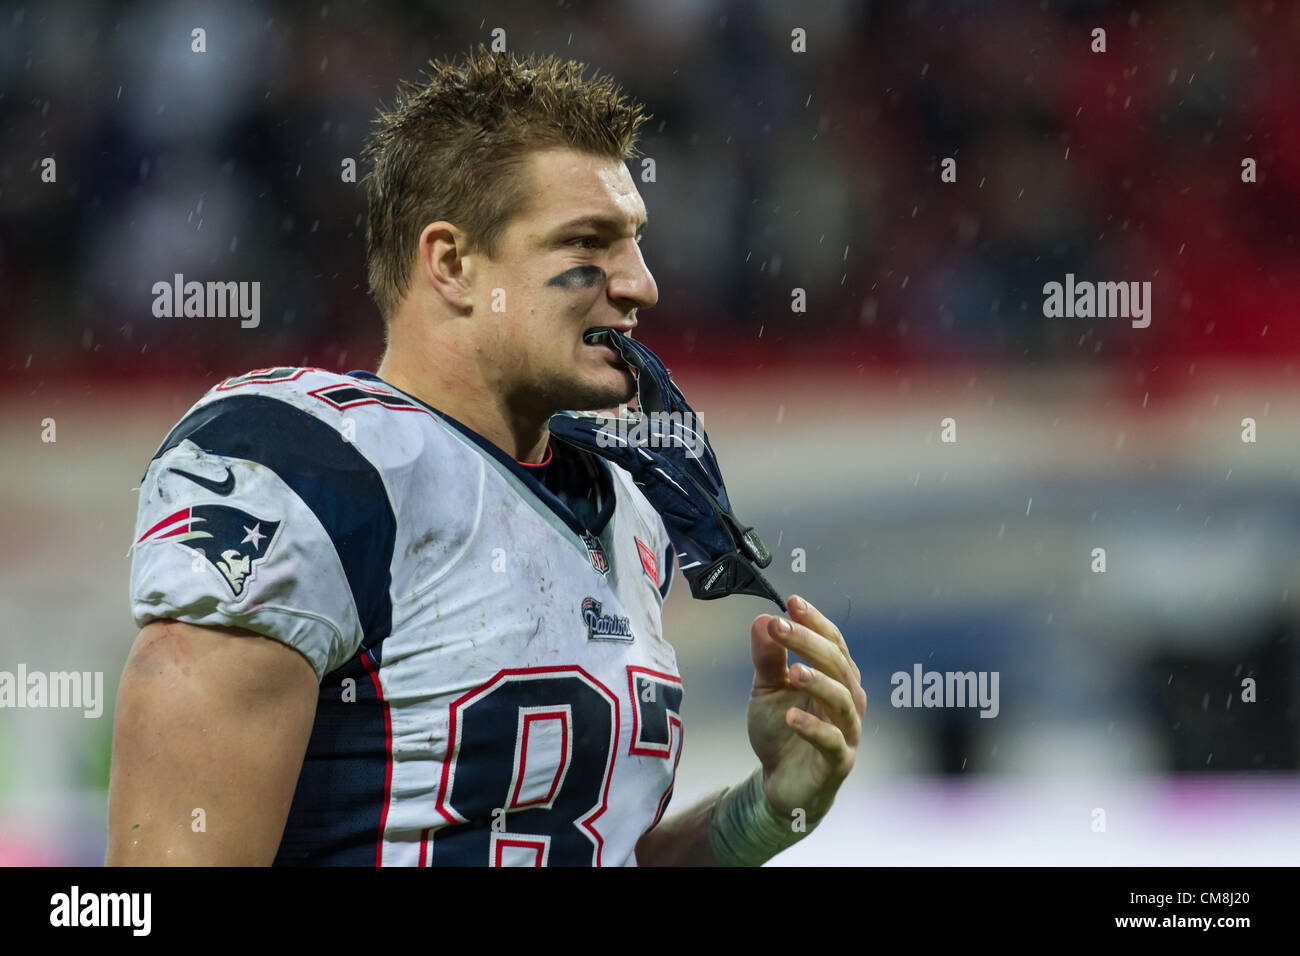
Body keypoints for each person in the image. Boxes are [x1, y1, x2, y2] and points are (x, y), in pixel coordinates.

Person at [107, 46, 866, 866]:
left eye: (636, 242)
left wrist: (762, 814)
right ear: (453, 265)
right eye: (590, 243)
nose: (641, 284)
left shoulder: (627, 513)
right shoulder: (313, 468)